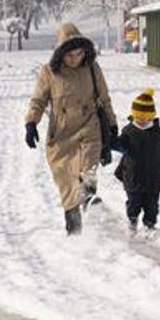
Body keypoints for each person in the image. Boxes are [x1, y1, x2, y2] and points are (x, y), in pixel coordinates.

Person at [25, 23, 118, 235]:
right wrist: (31, 123)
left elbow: (104, 98)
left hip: (89, 127)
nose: (75, 59)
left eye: (79, 54)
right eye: (70, 55)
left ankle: (89, 198)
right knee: (67, 185)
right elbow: (38, 101)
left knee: (88, 168)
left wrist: (112, 125)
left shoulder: (93, 68)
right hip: (61, 135)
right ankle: (75, 233)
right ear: (61, 54)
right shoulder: (49, 72)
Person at [112, 88, 160, 235]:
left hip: (153, 179)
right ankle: (132, 220)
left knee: (152, 205)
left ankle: (150, 225)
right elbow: (121, 145)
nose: (140, 121)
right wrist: (114, 143)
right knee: (134, 203)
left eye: (144, 118)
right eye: (137, 118)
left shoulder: (158, 133)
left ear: (151, 116)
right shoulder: (128, 131)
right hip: (133, 177)